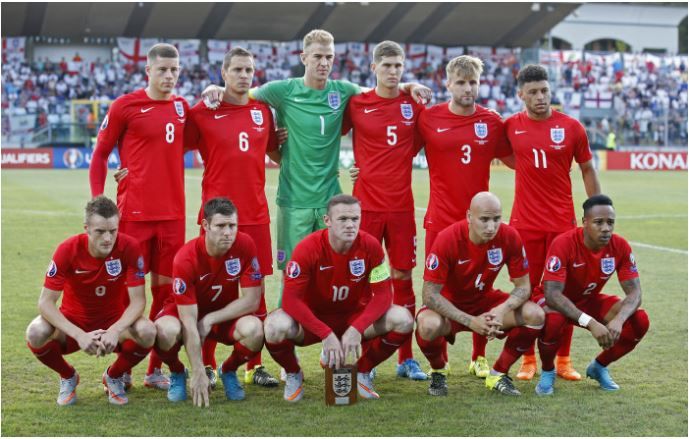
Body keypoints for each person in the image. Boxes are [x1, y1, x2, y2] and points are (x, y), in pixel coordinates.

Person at [203, 29, 431, 293]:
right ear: (304, 58)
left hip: (330, 200)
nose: (324, 63)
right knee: (294, 274)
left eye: (329, 57)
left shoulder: (344, 91)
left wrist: (409, 86)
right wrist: (215, 87)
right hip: (294, 200)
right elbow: (241, 92)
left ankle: (330, 326)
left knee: (335, 271)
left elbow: (381, 89)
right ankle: (288, 330)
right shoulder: (282, 91)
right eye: (318, 56)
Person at [89, 43, 189, 390]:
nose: (169, 75)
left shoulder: (182, 108)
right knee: (127, 296)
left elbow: (188, 142)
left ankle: (154, 371)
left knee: (166, 294)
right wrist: (98, 201)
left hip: (173, 217)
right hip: (134, 215)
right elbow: (100, 154)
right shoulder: (125, 106)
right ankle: (122, 369)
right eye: (162, 69)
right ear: (147, 70)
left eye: (175, 69)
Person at [184, 47, 281, 389]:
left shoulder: (262, 112)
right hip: (216, 215)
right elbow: (168, 146)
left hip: (254, 213)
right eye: (237, 69)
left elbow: (274, 149)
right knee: (211, 288)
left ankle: (254, 366)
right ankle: (208, 365)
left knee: (258, 289)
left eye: (249, 70)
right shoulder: (204, 110)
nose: (244, 75)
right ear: (223, 73)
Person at [263, 195, 414, 402]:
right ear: (327, 220)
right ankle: (293, 372)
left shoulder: (370, 246)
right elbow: (290, 300)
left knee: (403, 319)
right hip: (314, 322)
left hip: (353, 318)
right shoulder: (307, 248)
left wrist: (357, 329)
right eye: (343, 219)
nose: (350, 225)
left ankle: (362, 371)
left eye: (355, 219)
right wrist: (325, 333)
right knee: (273, 326)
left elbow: (383, 295)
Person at [416, 55, 513, 378]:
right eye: (461, 82)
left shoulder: (492, 121)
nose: (468, 88)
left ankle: (478, 356)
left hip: (481, 223)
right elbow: (398, 148)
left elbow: (518, 158)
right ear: (448, 84)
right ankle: (439, 364)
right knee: (439, 292)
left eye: (473, 82)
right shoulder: (429, 118)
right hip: (441, 221)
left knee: (480, 287)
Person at [505, 64, 601, 381]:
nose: (540, 97)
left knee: (563, 293)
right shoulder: (511, 126)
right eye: (532, 92)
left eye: (544, 90)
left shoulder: (571, 127)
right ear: (520, 95)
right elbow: (502, 155)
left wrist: (596, 209)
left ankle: (563, 359)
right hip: (525, 224)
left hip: (563, 224)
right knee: (527, 292)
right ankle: (527, 360)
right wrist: (526, 169)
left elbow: (587, 168)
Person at [341, 40, 427, 381]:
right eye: (387, 65)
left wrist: (409, 87)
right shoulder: (357, 103)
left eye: (398, 66)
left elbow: (422, 142)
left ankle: (406, 358)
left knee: (403, 276)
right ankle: (363, 355)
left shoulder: (414, 104)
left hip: (402, 207)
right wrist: (353, 167)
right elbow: (330, 134)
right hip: (365, 207)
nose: (393, 71)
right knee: (362, 281)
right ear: (373, 67)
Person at [25, 196, 155, 406]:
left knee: (148, 331)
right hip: (73, 325)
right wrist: (78, 334)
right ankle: (68, 376)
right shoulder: (68, 249)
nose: (107, 238)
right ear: (87, 228)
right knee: (35, 332)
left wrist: (114, 329)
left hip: (114, 324)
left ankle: (114, 376)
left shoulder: (129, 247)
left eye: (113, 231)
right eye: (100, 231)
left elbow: (138, 301)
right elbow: (45, 303)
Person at [415, 192, 544, 396]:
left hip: (486, 301)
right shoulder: (447, 238)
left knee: (535, 314)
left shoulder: (509, 236)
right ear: (469, 217)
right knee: (427, 325)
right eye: (484, 219)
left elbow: (524, 287)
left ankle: (498, 373)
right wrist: (470, 321)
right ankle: (439, 369)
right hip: (450, 305)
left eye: (496, 219)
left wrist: (501, 311)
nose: (491, 226)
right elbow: (429, 295)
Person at [533, 195, 649, 395]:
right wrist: (591, 322)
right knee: (554, 320)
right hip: (554, 302)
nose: (606, 228)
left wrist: (619, 320)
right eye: (599, 222)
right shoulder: (564, 243)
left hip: (587, 300)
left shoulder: (619, 246)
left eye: (610, 222)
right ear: (585, 222)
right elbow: (553, 295)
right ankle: (548, 371)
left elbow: (635, 292)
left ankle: (599, 367)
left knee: (639, 320)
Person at [153, 198, 264, 405]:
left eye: (232, 225)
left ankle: (228, 370)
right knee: (163, 331)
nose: (228, 232)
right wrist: (198, 371)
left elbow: (252, 300)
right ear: (205, 226)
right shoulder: (185, 258)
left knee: (255, 329)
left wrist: (211, 318)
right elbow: (188, 322)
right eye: (221, 226)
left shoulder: (245, 244)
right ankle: (178, 372)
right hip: (183, 313)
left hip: (222, 314)